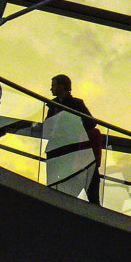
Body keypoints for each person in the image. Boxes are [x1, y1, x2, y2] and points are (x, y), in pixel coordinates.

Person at [45, 74, 102, 205]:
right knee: (53, 185)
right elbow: (48, 126)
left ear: (61, 86)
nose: (51, 89)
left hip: (68, 148)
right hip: (56, 149)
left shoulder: (75, 104)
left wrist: (72, 130)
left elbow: (90, 122)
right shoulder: (53, 105)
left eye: (53, 85)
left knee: (62, 183)